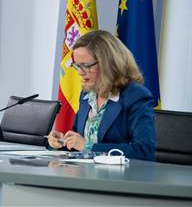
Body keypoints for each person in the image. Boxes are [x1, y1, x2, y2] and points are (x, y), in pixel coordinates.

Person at [48, 29, 156, 160]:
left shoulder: (136, 96)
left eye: (86, 66)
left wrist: (89, 147)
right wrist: (62, 143)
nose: (80, 72)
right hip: (83, 173)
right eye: (77, 66)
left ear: (108, 64)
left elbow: (144, 151)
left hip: (118, 177)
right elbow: (78, 142)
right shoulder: (87, 94)